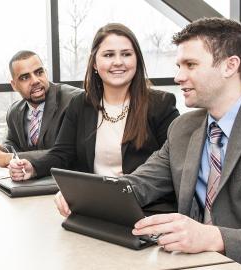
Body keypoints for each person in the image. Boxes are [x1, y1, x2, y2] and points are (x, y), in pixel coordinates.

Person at [57, 18, 241, 269]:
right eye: (179, 65)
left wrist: (210, 236)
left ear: (230, 66)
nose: (178, 76)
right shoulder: (183, 128)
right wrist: (87, 197)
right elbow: (141, 182)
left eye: (190, 65)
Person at [10, 23, 180, 214]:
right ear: (94, 63)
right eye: (108, 55)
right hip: (94, 206)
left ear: (137, 60)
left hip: (146, 209)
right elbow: (62, 153)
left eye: (126, 54)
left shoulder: (161, 104)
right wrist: (32, 167)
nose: (118, 62)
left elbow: (170, 167)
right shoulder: (80, 104)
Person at [0, 50, 82, 167]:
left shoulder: (74, 101)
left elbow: (66, 153)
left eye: (39, 72)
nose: (35, 81)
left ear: (46, 73)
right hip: (29, 180)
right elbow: (13, 144)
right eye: (25, 77)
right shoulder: (14, 111)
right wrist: (1, 150)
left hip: (67, 181)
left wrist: (8, 158)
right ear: (14, 85)